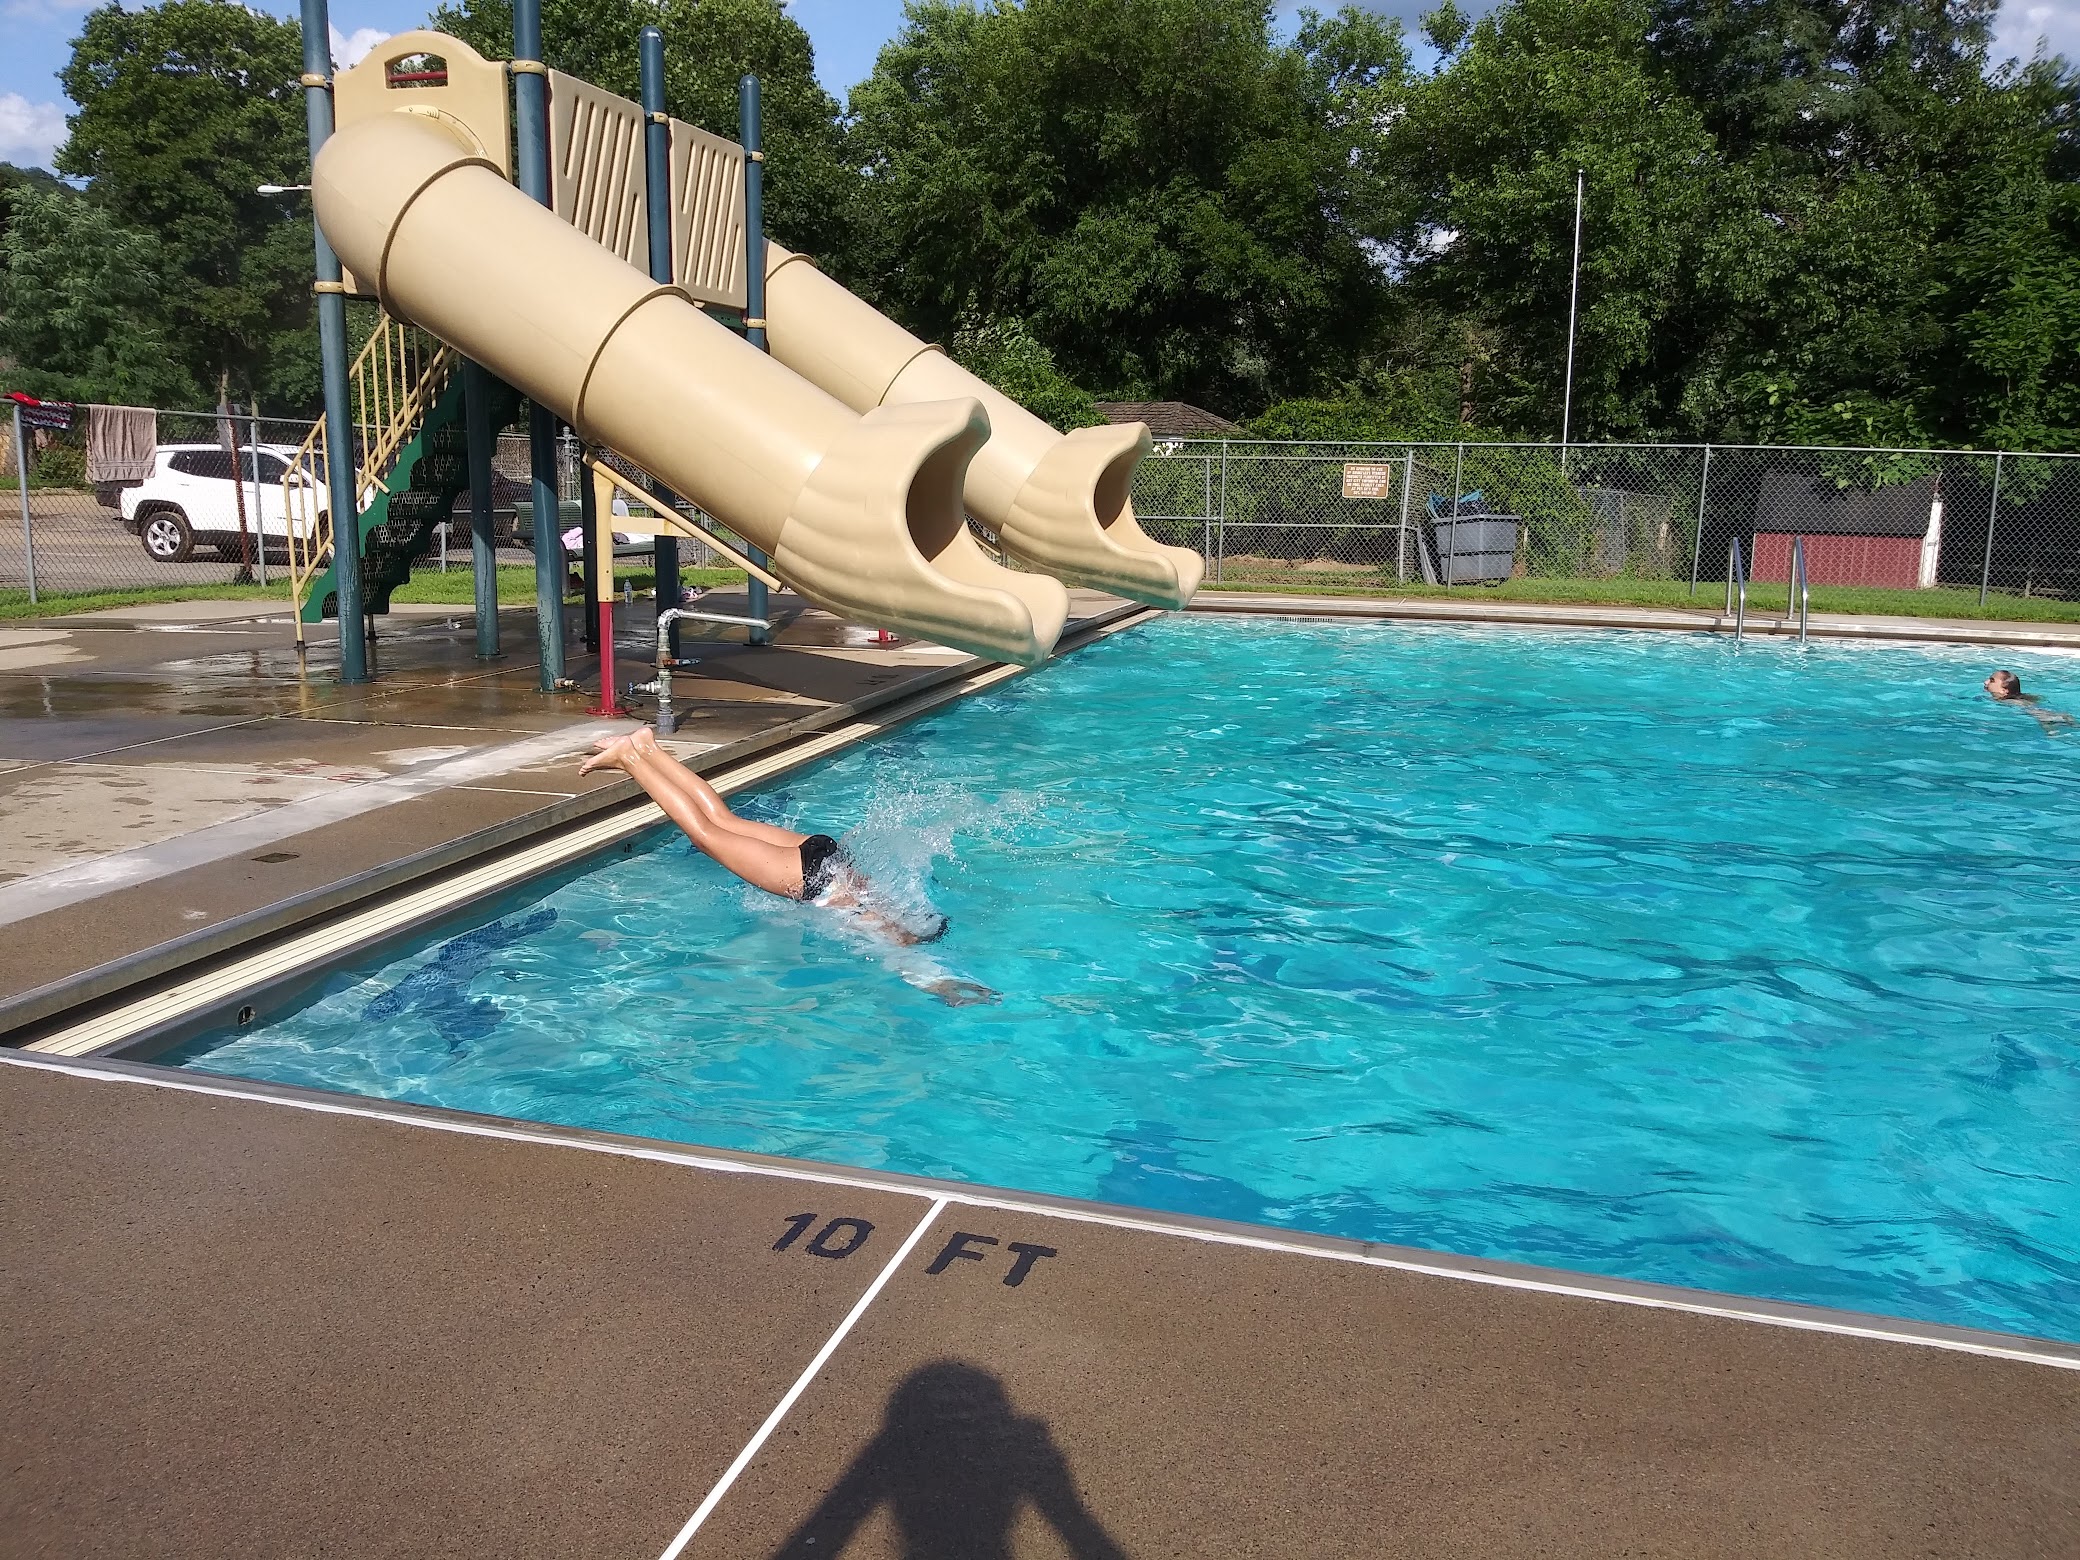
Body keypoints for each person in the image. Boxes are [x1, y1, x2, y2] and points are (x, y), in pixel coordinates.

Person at [579, 729, 997, 1003]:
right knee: (704, 835)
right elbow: (913, 968)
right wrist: (945, 988)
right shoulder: (894, 941)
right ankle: (630, 759)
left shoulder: (909, 913)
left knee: (723, 820)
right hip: (809, 879)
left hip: (828, 855)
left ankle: (648, 747)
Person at [1984, 669, 2074, 735]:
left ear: (2004, 690)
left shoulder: (2011, 701)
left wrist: (2049, 728)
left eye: (1992, 680)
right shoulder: (2020, 699)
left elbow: (2033, 710)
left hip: (2044, 716)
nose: (1985, 682)